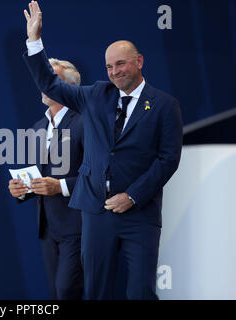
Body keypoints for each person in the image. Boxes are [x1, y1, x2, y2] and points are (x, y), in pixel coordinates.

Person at [22, 1, 183, 299]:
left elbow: (168, 159)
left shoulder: (163, 105)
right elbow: (49, 83)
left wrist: (132, 196)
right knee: (96, 292)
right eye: (109, 66)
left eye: (120, 64)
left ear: (139, 61)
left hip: (140, 214)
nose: (114, 72)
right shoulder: (96, 95)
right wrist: (35, 40)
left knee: (140, 292)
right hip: (95, 212)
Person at [8, 58, 84, 300]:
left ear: (69, 88)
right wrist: (21, 189)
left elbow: (98, 175)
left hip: (79, 224)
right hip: (48, 227)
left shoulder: (85, 122)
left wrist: (60, 186)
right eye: (43, 79)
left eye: (52, 79)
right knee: (55, 293)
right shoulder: (38, 127)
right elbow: (37, 175)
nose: (44, 84)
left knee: (66, 292)